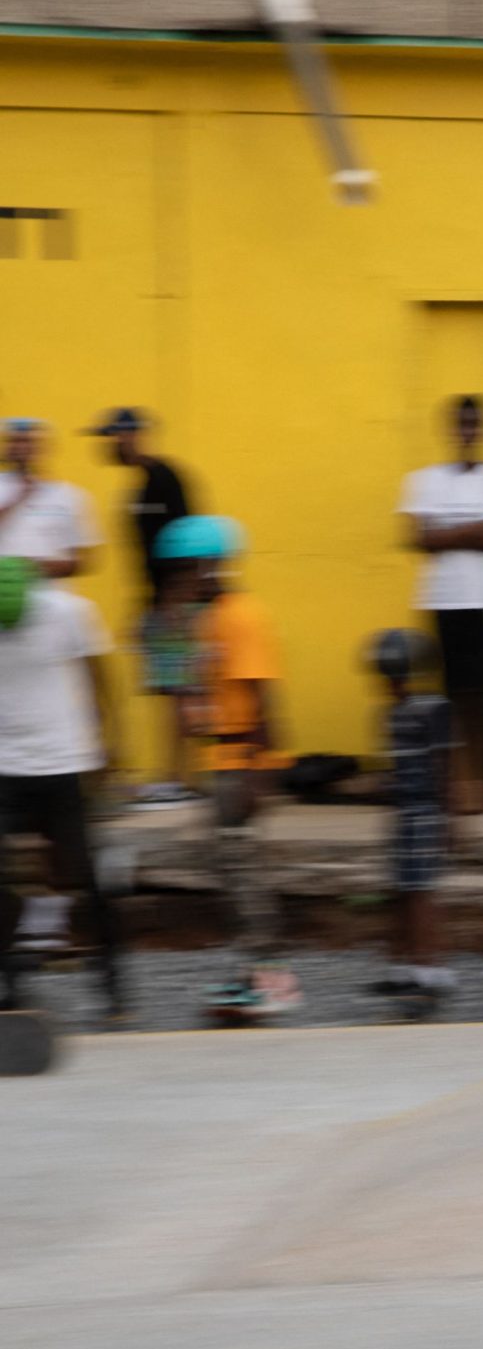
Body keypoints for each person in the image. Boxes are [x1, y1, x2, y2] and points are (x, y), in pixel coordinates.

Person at [159, 515, 300, 1019]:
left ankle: (272, 979)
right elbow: (199, 694)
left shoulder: (242, 615)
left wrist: (261, 772)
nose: (181, 579)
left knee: (245, 874)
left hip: (240, 761)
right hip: (221, 759)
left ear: (209, 564)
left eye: (185, 568)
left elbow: (263, 696)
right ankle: (253, 974)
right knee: (231, 869)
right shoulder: (210, 617)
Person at [0, 556, 125, 1023]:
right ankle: (12, 984)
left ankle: (113, 984)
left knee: (86, 876)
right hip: (6, 766)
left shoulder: (68, 610)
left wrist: (109, 742)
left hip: (65, 762)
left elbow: (98, 678)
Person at [400, 395, 483, 803]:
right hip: (445, 601)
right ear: (449, 428)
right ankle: (461, 786)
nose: (467, 432)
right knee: (452, 695)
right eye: (461, 424)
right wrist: (472, 532)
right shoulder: (424, 480)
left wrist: (446, 533)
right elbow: (418, 537)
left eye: (474, 424)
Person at [86, 408, 196, 805]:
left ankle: (179, 780)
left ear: (131, 435)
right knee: (170, 690)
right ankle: (175, 777)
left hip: (175, 602)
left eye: (112, 437)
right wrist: (144, 607)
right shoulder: (141, 486)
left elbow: (188, 542)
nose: (108, 445)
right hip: (159, 602)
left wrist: (172, 602)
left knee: (179, 689)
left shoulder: (165, 478)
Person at [367, 628, 458, 1013]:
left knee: (422, 891)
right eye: (388, 678)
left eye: (398, 677)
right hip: (403, 810)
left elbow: (445, 765)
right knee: (401, 889)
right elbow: (396, 766)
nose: (392, 685)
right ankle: (402, 965)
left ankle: (430, 968)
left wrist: (451, 817)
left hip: (425, 809)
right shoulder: (390, 714)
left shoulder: (436, 709)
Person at [0, 418, 102, 581]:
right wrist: (17, 497)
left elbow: (82, 559)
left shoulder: (69, 495)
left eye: (29, 442)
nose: (21, 448)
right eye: (14, 441)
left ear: (44, 448)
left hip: (49, 595)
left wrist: (29, 569)